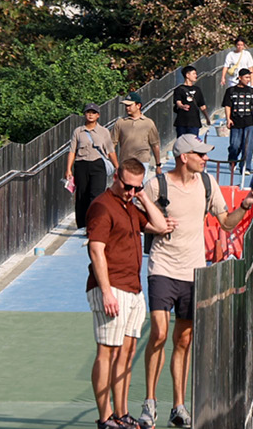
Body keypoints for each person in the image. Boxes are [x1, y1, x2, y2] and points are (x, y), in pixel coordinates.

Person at [137, 135, 253, 428]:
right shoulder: (157, 185)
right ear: (184, 156)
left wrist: (246, 205)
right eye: (200, 154)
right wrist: (155, 226)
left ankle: (179, 406)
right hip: (162, 268)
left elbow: (225, 221)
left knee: (184, 339)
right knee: (159, 332)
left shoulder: (207, 184)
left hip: (194, 271)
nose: (206, 158)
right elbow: (136, 221)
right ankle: (149, 403)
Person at [86, 159, 175, 429]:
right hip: (111, 287)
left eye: (135, 187)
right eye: (127, 186)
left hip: (132, 288)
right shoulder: (103, 206)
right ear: (115, 177)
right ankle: (105, 417)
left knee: (127, 351)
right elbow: (96, 249)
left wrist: (143, 197)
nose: (130, 191)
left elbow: (160, 226)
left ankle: (121, 413)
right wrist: (106, 293)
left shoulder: (130, 205)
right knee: (107, 352)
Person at [66, 103, 118, 231]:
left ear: (98, 115)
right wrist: (68, 169)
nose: (90, 114)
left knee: (97, 194)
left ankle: (95, 224)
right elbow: (72, 151)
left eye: (93, 112)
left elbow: (111, 151)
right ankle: (82, 224)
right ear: (84, 114)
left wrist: (118, 167)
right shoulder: (78, 131)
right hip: (81, 164)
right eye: (88, 112)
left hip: (97, 164)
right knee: (82, 195)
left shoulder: (104, 132)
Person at [114, 91, 162, 178]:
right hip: (125, 161)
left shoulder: (148, 123)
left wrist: (158, 165)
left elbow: (155, 144)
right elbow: (112, 144)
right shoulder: (120, 122)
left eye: (129, 105)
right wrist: (116, 165)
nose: (127, 108)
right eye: (126, 105)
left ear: (138, 105)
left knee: (139, 187)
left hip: (142, 161)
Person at [222, 68, 253, 174]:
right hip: (235, 123)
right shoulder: (230, 91)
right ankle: (232, 160)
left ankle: (245, 167)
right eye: (246, 77)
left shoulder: (252, 91)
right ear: (239, 78)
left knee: (247, 145)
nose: (248, 79)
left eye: (249, 77)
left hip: (249, 122)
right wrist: (228, 118)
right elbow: (227, 106)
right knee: (235, 145)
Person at [172, 66, 210, 139]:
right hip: (182, 122)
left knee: (193, 144)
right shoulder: (179, 89)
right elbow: (178, 102)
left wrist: (207, 118)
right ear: (187, 75)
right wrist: (182, 106)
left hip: (194, 122)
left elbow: (202, 106)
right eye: (194, 74)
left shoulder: (197, 89)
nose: (196, 76)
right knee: (182, 144)